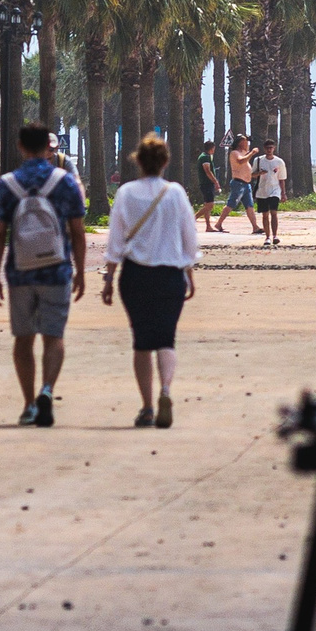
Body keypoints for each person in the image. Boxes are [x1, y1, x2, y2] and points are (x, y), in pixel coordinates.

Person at [0, 123, 89, 428]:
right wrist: (81, 270)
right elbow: (78, 231)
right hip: (57, 270)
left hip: (20, 272)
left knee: (23, 339)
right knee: (53, 336)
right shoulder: (65, 182)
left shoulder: (7, 184)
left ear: (20, 146)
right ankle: (47, 389)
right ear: (49, 146)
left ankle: (29, 403)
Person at [102, 133, 203, 428]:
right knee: (166, 338)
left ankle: (146, 407)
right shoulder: (176, 193)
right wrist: (189, 273)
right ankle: (166, 390)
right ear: (165, 162)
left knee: (142, 341)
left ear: (138, 163)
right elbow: (189, 238)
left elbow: (115, 242)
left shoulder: (126, 193)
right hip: (171, 275)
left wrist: (108, 278)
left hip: (135, 275)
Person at [252, 138, 289, 247]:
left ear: (274, 148)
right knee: (265, 215)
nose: (269, 150)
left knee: (274, 213)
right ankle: (267, 237)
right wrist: (260, 173)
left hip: (275, 190)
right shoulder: (258, 160)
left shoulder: (279, 162)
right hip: (262, 190)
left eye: (271, 148)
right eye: (267, 148)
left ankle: (275, 236)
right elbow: (252, 174)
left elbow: (282, 179)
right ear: (264, 149)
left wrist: (283, 193)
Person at [225, 135, 262, 235]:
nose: (247, 144)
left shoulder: (244, 153)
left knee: (249, 206)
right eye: (245, 142)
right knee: (231, 204)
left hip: (246, 184)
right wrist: (252, 153)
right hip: (238, 183)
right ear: (240, 143)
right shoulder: (234, 153)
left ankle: (255, 227)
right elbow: (241, 161)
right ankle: (219, 224)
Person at [192, 137, 221, 231]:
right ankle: (192, 219)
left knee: (206, 205)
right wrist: (215, 181)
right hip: (206, 183)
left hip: (207, 183)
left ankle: (208, 226)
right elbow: (208, 171)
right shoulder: (205, 157)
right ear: (212, 148)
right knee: (210, 205)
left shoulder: (206, 156)